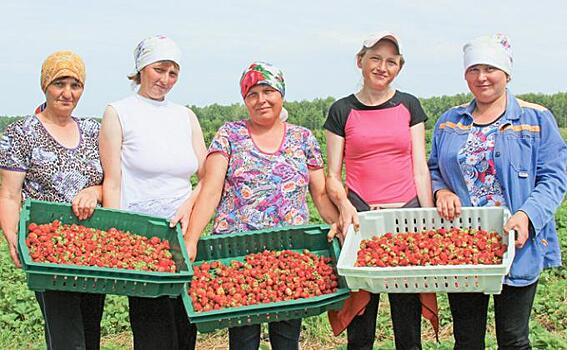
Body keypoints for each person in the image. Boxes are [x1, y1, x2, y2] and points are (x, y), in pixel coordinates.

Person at [184, 61, 339, 350]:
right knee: (243, 339)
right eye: (252, 94)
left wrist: (337, 224)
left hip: (289, 254)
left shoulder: (302, 138)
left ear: (281, 94)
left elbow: (319, 194)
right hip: (237, 255)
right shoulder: (229, 135)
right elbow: (211, 189)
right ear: (245, 100)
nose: (261, 100)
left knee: (287, 338)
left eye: (268, 91)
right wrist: (192, 238)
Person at [428, 33, 567, 349]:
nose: (481, 77)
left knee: (513, 337)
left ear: (506, 73)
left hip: (516, 240)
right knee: (466, 338)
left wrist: (526, 214)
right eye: (473, 69)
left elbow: (554, 178)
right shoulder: (450, 121)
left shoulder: (536, 119)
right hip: (463, 244)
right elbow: (433, 167)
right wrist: (441, 192)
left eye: (489, 68)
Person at [324, 32, 436, 350]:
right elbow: (333, 175)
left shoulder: (409, 105)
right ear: (360, 61)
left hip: (407, 220)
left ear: (399, 67)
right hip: (363, 220)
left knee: (407, 324)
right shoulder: (342, 110)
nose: (382, 67)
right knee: (360, 320)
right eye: (375, 58)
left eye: (391, 61)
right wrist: (344, 206)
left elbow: (419, 167)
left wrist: (428, 219)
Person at [99, 35, 206, 350]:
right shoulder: (118, 112)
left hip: (184, 236)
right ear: (142, 68)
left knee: (185, 325)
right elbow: (113, 181)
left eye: (173, 73)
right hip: (143, 239)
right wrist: (115, 237)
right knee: (153, 329)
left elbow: (207, 175)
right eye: (159, 69)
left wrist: (191, 207)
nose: (166, 80)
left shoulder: (184, 116)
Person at [0, 51, 105, 349]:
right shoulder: (21, 133)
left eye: (76, 85)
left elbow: (110, 182)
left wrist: (94, 192)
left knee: (89, 330)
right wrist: (12, 237)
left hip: (92, 247)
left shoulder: (92, 130)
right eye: (60, 83)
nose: (68, 93)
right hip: (47, 248)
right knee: (65, 335)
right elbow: (8, 194)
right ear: (45, 85)